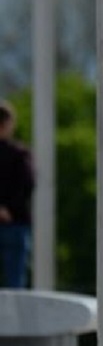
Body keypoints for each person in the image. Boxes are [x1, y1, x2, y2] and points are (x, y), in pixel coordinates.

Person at [0, 100, 34, 289]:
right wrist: (7, 208)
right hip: (15, 222)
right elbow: (27, 184)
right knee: (15, 285)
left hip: (13, 221)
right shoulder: (19, 154)